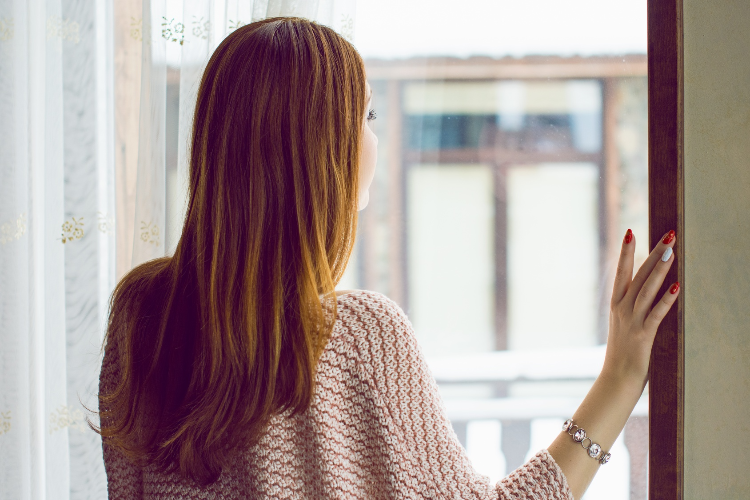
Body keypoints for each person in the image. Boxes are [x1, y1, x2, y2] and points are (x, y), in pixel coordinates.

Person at [92, 17, 679, 499]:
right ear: (319, 150)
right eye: (367, 116)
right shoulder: (362, 336)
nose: (377, 139)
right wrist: (622, 375)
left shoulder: (142, 319)